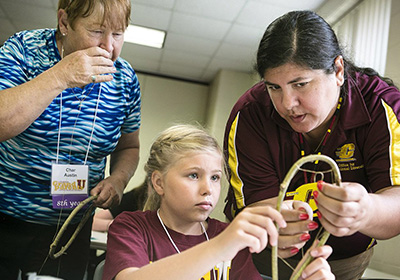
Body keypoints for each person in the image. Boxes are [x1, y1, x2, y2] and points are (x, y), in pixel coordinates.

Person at [223, 9, 400, 280]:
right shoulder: (249, 115)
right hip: (265, 258)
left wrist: (365, 210)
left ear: (338, 70)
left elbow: (396, 202)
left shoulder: (382, 107)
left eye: (301, 84)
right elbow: (251, 207)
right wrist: (274, 225)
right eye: (274, 88)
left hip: (345, 262)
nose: (287, 104)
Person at [0, 0, 141, 279]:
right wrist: (61, 75)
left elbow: (129, 145)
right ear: (64, 22)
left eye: (118, 34)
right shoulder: (23, 50)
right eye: (97, 31)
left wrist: (119, 179)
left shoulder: (125, 80)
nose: (109, 47)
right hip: (6, 214)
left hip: (70, 225)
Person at [103, 124, 334, 280]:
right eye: (193, 175)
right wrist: (221, 246)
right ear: (159, 183)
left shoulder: (227, 235)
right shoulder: (132, 227)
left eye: (215, 178)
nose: (208, 189)